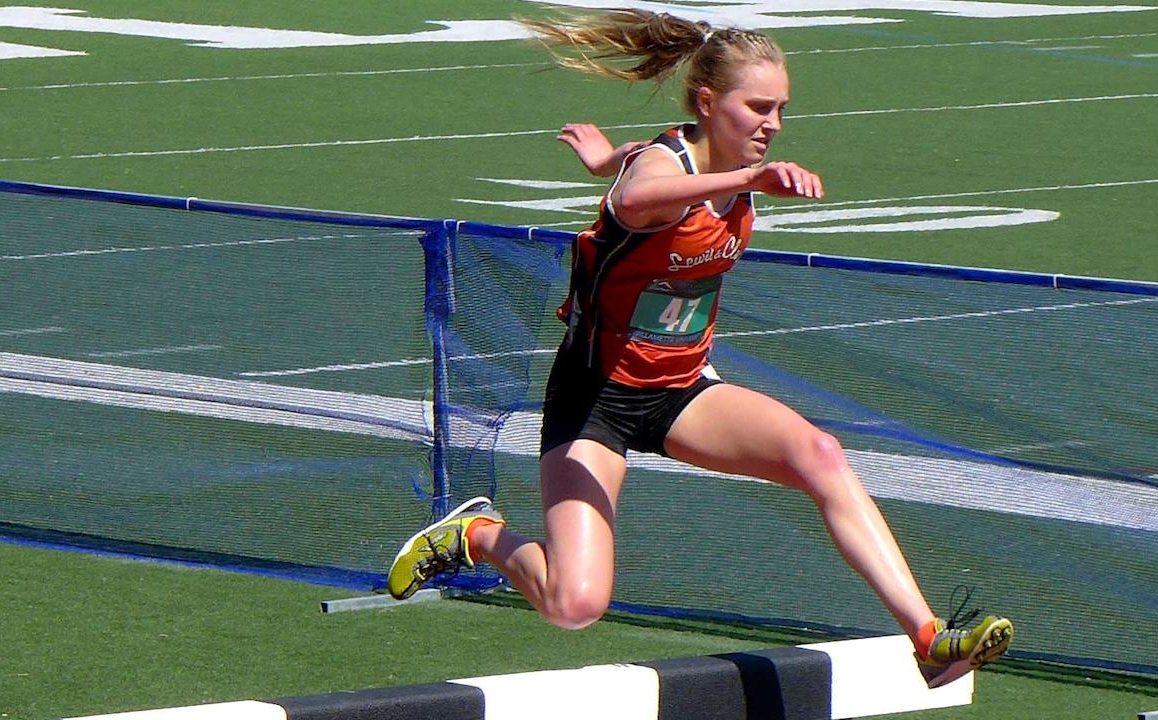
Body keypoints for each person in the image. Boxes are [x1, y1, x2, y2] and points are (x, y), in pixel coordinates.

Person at [386, 9, 1012, 688]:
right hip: (597, 399)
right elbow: (640, 194)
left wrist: (606, 155)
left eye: (782, 110)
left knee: (820, 455)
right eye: (759, 108)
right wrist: (726, 181)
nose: (772, 125)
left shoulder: (713, 162)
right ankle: (476, 537)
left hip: (683, 391)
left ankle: (927, 638)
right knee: (574, 604)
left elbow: (634, 169)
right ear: (711, 104)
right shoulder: (685, 171)